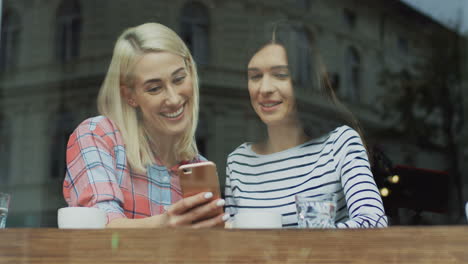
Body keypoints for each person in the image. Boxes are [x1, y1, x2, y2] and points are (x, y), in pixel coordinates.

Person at [63, 23, 229, 228]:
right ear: (130, 96)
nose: (174, 98)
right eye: (154, 88)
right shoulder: (97, 136)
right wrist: (165, 226)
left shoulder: (197, 167)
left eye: (179, 79)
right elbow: (99, 224)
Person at [224, 22, 386, 228]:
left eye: (280, 74)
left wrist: (309, 243)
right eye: (255, 76)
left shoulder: (339, 144)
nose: (264, 88)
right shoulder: (238, 162)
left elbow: (375, 223)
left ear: (307, 82)